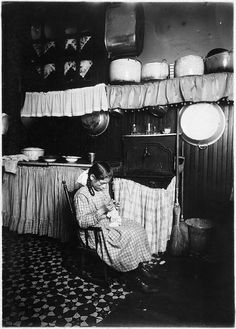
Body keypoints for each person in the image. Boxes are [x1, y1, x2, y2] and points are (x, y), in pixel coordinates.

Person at [74, 161, 159, 293]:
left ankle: (138, 267)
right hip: (94, 232)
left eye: (106, 183)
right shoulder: (81, 195)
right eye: (101, 183)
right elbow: (82, 222)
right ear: (92, 178)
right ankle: (132, 279)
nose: (104, 187)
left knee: (137, 228)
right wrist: (102, 210)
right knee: (127, 236)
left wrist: (112, 207)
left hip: (107, 222)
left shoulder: (102, 187)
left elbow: (108, 205)